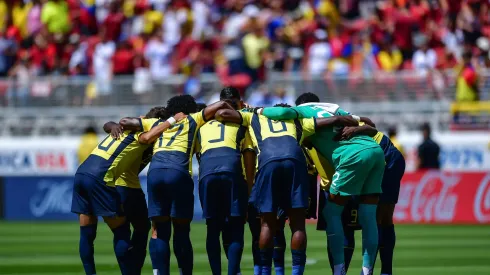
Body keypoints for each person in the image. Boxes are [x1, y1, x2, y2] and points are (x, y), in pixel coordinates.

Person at [215, 103, 358, 275]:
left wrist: (250, 110)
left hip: (268, 163)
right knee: (297, 224)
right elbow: (327, 121)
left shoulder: (254, 116)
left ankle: (266, 271)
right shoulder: (297, 120)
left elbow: (222, 113)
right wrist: (346, 118)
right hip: (295, 163)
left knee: (267, 223)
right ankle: (297, 272)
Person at [259, 93, 385, 275]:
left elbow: (279, 112)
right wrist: (358, 126)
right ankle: (367, 271)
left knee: (331, 212)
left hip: (352, 156)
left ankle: (339, 271)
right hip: (375, 152)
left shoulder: (301, 112)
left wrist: (257, 109)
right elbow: (370, 127)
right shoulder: (333, 107)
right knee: (368, 216)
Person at [120, 95, 233, 275]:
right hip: (178, 173)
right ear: (189, 109)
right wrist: (234, 111)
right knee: (181, 230)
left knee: (159, 230)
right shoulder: (193, 119)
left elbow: (125, 121)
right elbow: (219, 104)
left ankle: (159, 272)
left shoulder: (156, 123)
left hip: (155, 173)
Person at [71, 107, 183, 275]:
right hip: (102, 178)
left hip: (81, 173)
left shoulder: (129, 124)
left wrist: (112, 124)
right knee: (123, 231)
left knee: (87, 232)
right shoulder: (142, 130)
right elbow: (146, 136)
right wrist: (172, 121)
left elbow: (111, 124)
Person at [196, 87, 256, 275]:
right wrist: (248, 189)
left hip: (207, 173)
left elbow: (199, 155)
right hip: (232, 171)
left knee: (213, 229)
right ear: (239, 102)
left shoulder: (202, 124)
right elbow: (248, 159)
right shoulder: (242, 124)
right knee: (237, 227)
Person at [103, 107, 168, 275]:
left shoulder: (143, 130)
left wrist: (111, 125)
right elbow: (113, 124)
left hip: (122, 184)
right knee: (131, 230)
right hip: (124, 185)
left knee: (134, 229)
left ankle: (131, 271)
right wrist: (112, 125)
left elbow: (111, 124)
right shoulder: (145, 132)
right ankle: (131, 271)